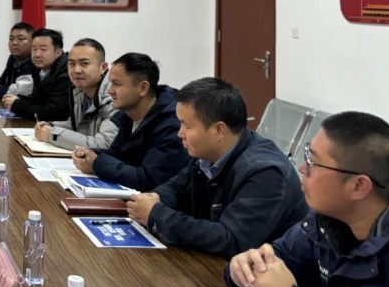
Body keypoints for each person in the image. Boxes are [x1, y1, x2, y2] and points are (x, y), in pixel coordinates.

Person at [226, 112, 389, 287]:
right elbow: (276, 264)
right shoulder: (323, 222)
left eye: (314, 163)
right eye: (306, 155)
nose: (302, 168)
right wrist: (244, 271)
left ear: (359, 186)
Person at [126, 77, 307, 259]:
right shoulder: (210, 152)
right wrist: (156, 198)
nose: (179, 133)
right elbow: (177, 187)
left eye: (186, 125)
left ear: (219, 130)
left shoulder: (266, 173)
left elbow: (232, 240)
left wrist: (156, 215)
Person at [71, 52, 188, 190]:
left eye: (117, 84)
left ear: (142, 88)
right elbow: (117, 155)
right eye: (110, 83)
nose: (110, 90)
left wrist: (97, 164)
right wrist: (90, 153)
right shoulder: (127, 115)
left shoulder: (172, 125)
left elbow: (148, 180)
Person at [34, 37, 117, 149]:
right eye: (72, 64)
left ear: (103, 67)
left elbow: (103, 144)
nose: (76, 70)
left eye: (84, 63)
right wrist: (51, 125)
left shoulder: (115, 98)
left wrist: (52, 134)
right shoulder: (79, 90)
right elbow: (78, 125)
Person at [1, 27, 72, 122]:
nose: (37, 55)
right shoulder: (38, 68)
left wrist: (16, 104)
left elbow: (52, 113)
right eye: (34, 49)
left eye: (43, 49)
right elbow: (39, 100)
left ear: (58, 52)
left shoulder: (66, 74)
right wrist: (18, 99)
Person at [0, 22, 34, 100]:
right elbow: (4, 79)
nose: (14, 43)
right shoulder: (12, 58)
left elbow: (20, 92)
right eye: (11, 39)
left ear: (32, 43)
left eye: (21, 39)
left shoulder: (34, 61)